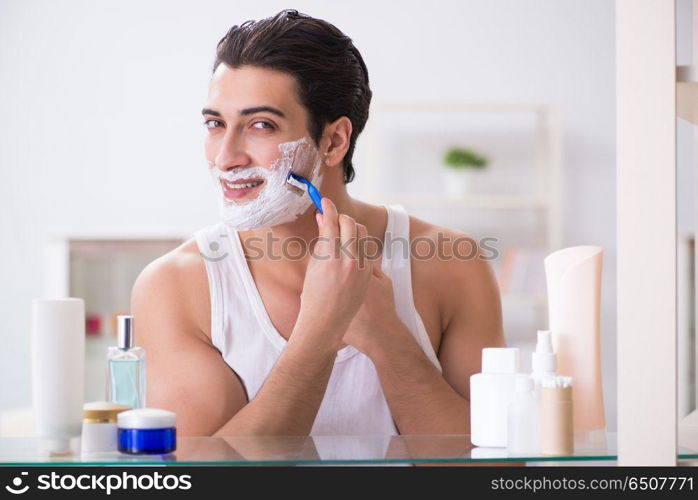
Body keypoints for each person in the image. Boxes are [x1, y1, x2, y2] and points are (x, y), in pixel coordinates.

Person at [131, 9, 505, 437]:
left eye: (260, 125)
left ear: (333, 141)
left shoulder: (449, 265)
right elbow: (208, 477)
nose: (225, 157)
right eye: (216, 124)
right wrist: (320, 329)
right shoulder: (177, 286)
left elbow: (485, 471)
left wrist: (386, 335)